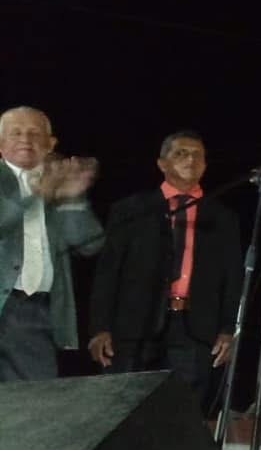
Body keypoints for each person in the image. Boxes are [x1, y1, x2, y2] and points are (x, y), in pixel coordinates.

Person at [88, 131, 241, 401]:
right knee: (125, 408)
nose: (190, 160)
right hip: (134, 329)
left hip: (195, 331)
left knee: (182, 411)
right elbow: (108, 273)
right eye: (181, 153)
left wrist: (229, 330)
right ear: (162, 163)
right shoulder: (132, 210)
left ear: (205, 165)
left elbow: (233, 279)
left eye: (197, 155)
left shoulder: (222, 217)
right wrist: (100, 328)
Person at [0, 106, 103, 381]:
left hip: (36, 314)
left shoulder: (60, 184)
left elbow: (89, 245)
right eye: (16, 133)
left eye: (34, 133)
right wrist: (37, 195)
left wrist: (73, 199)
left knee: (33, 400)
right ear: (0, 143)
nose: (25, 139)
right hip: (4, 301)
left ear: (50, 144)